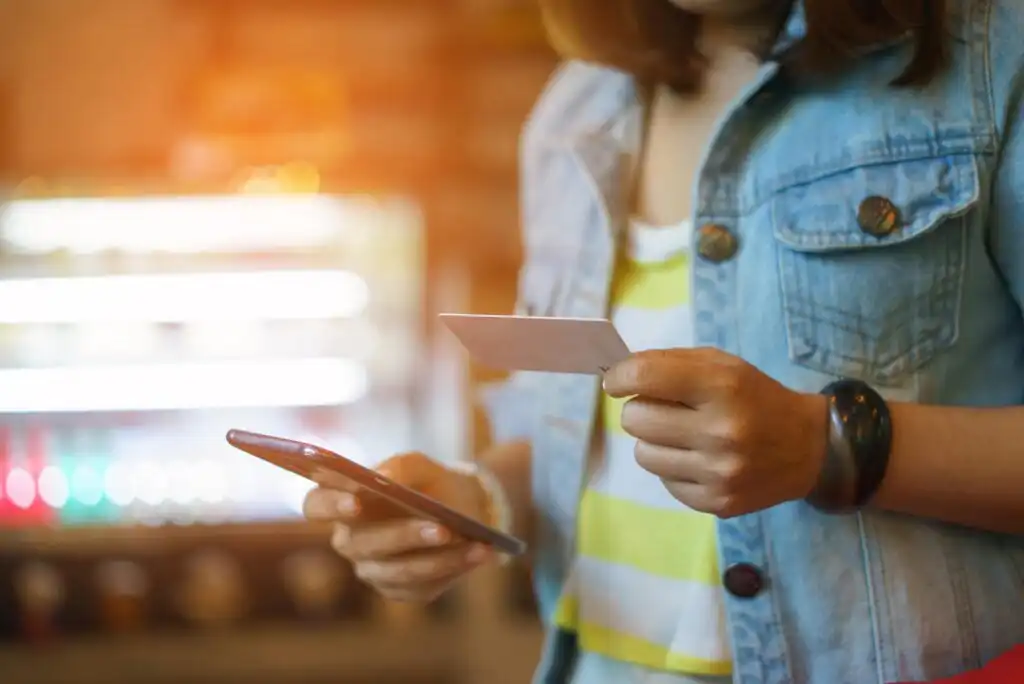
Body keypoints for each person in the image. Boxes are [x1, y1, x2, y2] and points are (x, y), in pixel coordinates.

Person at [303, 0, 1024, 682]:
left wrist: (828, 447)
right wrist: (473, 499)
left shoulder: (994, 58)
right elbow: (574, 433)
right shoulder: (576, 108)